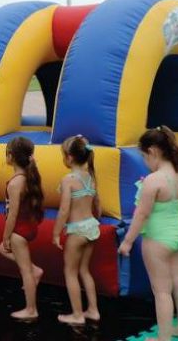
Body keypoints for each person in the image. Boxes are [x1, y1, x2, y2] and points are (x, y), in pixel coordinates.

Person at [118, 126, 178, 341]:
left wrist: (128, 242)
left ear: (153, 151)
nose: (144, 161)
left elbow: (141, 214)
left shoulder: (154, 180)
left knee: (161, 291)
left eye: (144, 156)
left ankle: (163, 337)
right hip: (177, 235)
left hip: (158, 239)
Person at [52, 135, 101, 325]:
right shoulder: (91, 177)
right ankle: (93, 310)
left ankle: (77, 314)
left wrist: (56, 232)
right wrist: (97, 218)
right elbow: (98, 203)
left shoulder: (69, 179)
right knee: (84, 270)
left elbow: (64, 209)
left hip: (77, 230)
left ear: (69, 158)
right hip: (91, 227)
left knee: (70, 272)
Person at [0, 136, 45, 320]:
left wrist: (6, 235)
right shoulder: (28, 177)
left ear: (10, 156)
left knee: (25, 271)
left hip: (19, 230)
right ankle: (35, 269)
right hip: (29, 226)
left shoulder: (15, 182)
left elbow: (13, 213)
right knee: (2, 250)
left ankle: (31, 309)